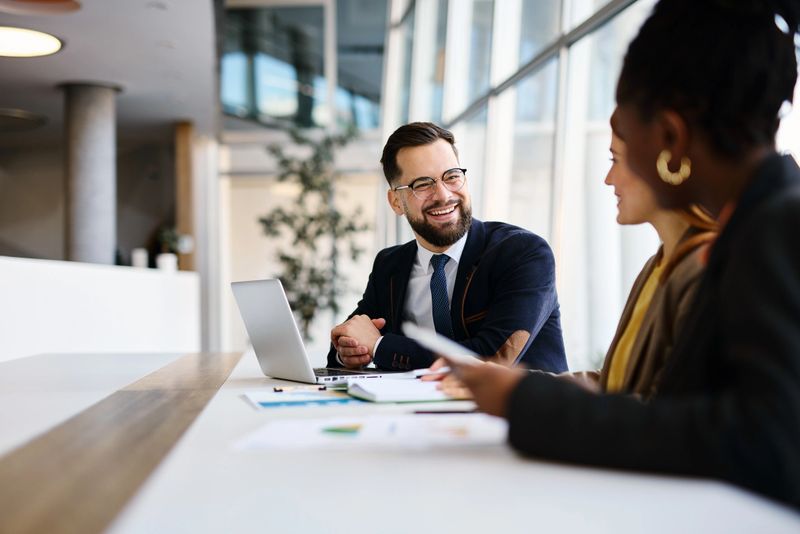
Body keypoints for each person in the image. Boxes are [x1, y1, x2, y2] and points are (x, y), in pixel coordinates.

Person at [446, 0, 800, 509]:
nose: (618, 168)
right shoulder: (755, 225)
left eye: (625, 142)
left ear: (671, 139)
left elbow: (757, 439)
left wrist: (526, 402)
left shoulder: (775, 229)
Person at [327, 122, 567, 373]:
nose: (443, 195)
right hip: (415, 409)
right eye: (422, 184)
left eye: (452, 176)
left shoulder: (523, 253)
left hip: (518, 410)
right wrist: (350, 351)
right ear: (396, 201)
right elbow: (348, 336)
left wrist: (380, 346)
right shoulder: (390, 265)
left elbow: (494, 360)